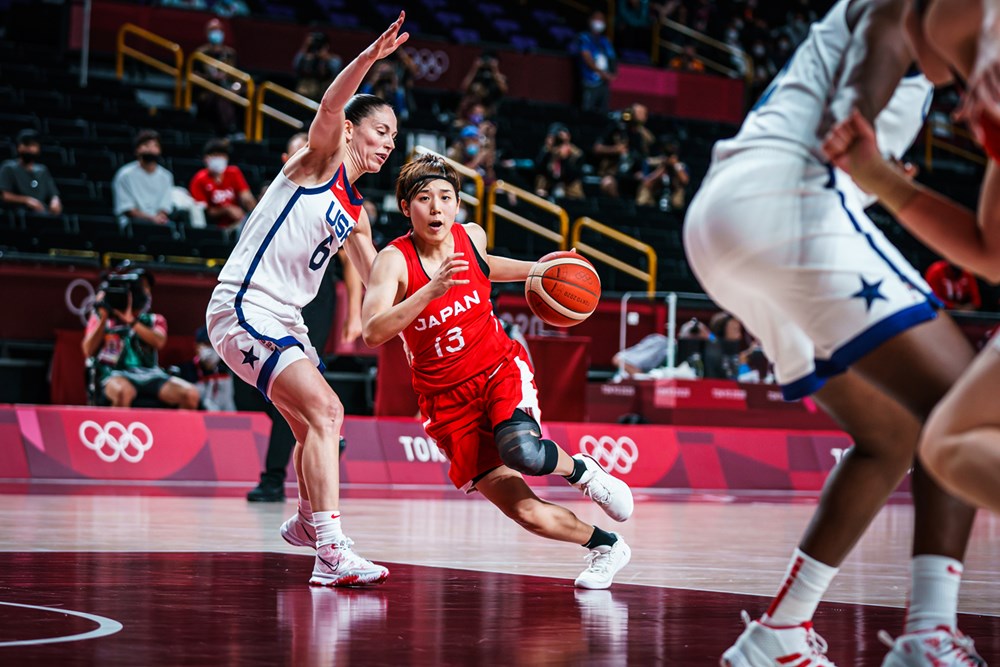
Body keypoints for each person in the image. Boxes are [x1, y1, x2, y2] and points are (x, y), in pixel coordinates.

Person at [683, 1, 981, 664]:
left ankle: (780, 632)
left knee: (893, 436)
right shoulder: (896, 7)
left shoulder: (923, 64)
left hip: (726, 222)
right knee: (965, 409)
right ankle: (931, 635)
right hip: (783, 201)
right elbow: (866, 70)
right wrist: (859, 115)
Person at [361, 154, 635, 589]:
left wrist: (541, 271)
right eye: (425, 199)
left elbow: (487, 265)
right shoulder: (393, 262)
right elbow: (372, 331)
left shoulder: (470, 236)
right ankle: (607, 546)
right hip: (447, 404)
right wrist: (430, 291)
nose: (437, 207)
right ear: (405, 207)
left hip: (497, 370)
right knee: (525, 512)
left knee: (522, 452)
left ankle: (584, 472)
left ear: (457, 205)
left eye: (446, 198)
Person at [205, 14, 408, 587]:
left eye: (395, 136)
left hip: (286, 320)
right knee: (328, 412)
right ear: (350, 130)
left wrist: (423, 311)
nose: (389, 144)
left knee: (315, 428)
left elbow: (376, 287)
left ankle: (304, 520)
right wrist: (369, 57)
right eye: (381, 131)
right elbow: (330, 103)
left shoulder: (356, 212)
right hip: (246, 306)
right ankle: (331, 551)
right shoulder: (316, 162)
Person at [823, 0, 1000, 525]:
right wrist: (878, 177)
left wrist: (993, 32)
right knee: (948, 444)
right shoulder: (964, 81)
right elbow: (990, 254)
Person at [245, 131, 364, 503]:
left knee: (302, 394)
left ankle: (279, 480)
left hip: (313, 298)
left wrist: (356, 314)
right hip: (268, 297)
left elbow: (351, 264)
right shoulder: (282, 191)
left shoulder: (344, 200)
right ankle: (313, 453)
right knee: (290, 394)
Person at [82, 265, 200, 410]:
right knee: (124, 392)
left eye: (147, 288)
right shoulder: (103, 318)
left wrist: (131, 320)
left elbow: (159, 341)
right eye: (141, 287)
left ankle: (176, 432)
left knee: (190, 394)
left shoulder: (154, 319)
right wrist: (104, 317)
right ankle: (119, 432)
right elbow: (88, 350)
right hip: (114, 374)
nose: (145, 292)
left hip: (151, 374)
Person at [112, 129, 177, 227]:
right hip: (132, 222)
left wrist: (159, 217)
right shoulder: (125, 175)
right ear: (137, 150)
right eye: (146, 145)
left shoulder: (166, 176)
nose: (151, 149)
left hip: (159, 222)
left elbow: (165, 206)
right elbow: (128, 210)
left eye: (155, 146)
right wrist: (151, 218)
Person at [189, 138, 257, 229]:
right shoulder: (199, 179)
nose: (220, 158)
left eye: (222, 155)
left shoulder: (234, 172)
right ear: (206, 158)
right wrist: (226, 210)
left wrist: (248, 201)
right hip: (215, 228)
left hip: (239, 223)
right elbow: (204, 211)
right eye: (216, 155)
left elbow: (245, 195)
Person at [193, 18, 242, 136]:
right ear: (207, 33)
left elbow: (238, 77)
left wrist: (235, 89)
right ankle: (229, 130)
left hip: (228, 90)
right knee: (220, 98)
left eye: (219, 30)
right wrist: (213, 78)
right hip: (208, 91)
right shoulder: (200, 53)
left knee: (245, 98)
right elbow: (194, 76)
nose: (216, 33)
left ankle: (242, 132)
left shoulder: (230, 53)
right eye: (213, 30)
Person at [0, 129, 61, 215]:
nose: (29, 148)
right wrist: (27, 200)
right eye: (26, 144)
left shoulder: (42, 170)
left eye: (33, 145)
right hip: (17, 213)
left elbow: (53, 194)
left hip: (41, 214)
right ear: (18, 146)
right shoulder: (8, 167)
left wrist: (55, 201)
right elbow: (4, 195)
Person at [178, 327, 236, 412]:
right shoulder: (185, 371)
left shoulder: (226, 372)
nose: (211, 349)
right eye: (206, 344)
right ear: (196, 346)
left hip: (222, 420)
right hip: (196, 419)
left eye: (214, 345)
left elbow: (229, 404)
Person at [577, 11, 617, 114]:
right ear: (590, 20)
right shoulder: (584, 38)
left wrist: (612, 73)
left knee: (603, 112)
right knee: (587, 112)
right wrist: (600, 72)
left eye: (601, 19)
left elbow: (612, 58)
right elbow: (586, 57)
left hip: (604, 83)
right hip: (590, 82)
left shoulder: (605, 41)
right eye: (596, 18)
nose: (599, 22)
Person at [534, 123, 585, 200]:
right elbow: (539, 169)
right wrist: (549, 151)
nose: (559, 142)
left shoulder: (577, 153)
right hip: (549, 182)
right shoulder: (547, 151)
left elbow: (572, 176)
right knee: (541, 180)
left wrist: (564, 158)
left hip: (568, 186)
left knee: (575, 187)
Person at [294, 32, 343, 102]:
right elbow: (296, 66)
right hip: (303, 94)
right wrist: (306, 47)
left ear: (326, 46)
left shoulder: (334, 59)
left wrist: (324, 59)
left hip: (321, 96)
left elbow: (333, 73)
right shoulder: (305, 56)